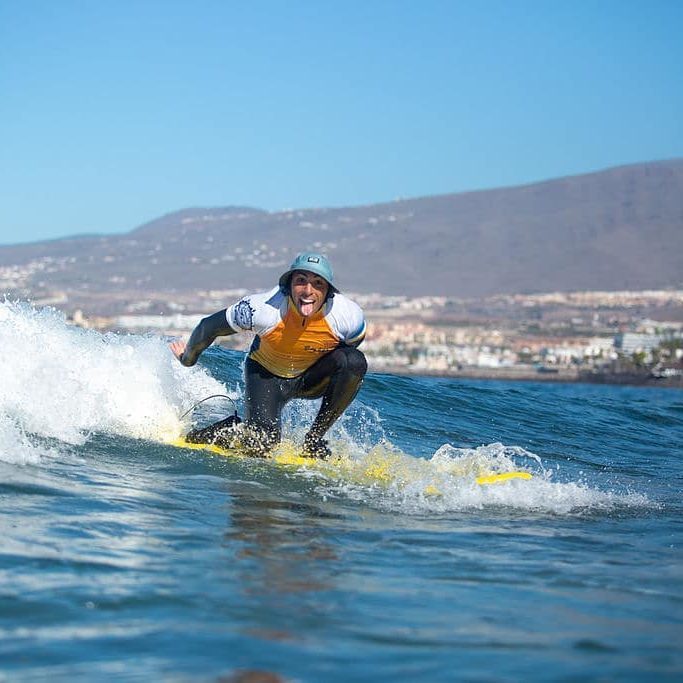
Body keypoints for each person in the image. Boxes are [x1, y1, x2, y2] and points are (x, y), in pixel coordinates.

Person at [170, 252, 367, 458]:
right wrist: (187, 358)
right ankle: (212, 433)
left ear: (328, 292)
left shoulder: (348, 316)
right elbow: (208, 327)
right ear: (289, 285)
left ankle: (313, 441)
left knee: (354, 361)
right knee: (262, 444)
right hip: (266, 376)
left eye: (318, 284)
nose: (308, 291)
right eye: (301, 281)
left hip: (310, 378)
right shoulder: (262, 309)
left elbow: (348, 353)